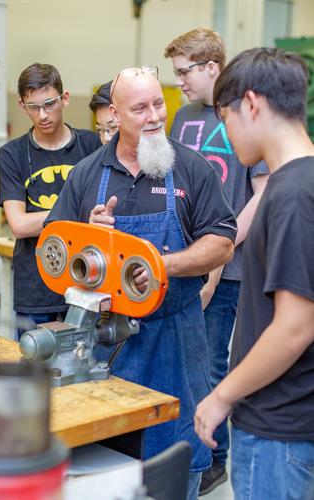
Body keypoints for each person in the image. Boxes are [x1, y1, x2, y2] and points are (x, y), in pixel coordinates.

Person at [46, 66, 237, 500]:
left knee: (174, 467)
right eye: (140, 107)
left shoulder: (192, 168)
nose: (154, 116)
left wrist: (160, 265)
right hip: (104, 348)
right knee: (105, 465)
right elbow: (55, 249)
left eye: (158, 103)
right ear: (114, 114)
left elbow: (222, 243)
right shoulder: (88, 173)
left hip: (176, 342)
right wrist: (87, 236)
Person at [195, 47, 314, 500]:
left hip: (277, 429)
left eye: (225, 120)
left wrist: (221, 395)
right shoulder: (295, 184)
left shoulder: (293, 195)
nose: (226, 136)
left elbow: (295, 326)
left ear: (251, 104)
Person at [164, 28, 269, 494]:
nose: (180, 82)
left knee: (213, 366)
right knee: (183, 364)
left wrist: (219, 249)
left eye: (185, 71)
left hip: (232, 269)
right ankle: (187, 450)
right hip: (186, 262)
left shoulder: (245, 115)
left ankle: (214, 460)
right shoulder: (182, 116)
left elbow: (261, 195)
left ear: (211, 68)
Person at [0, 63, 101, 338]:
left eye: (49, 104)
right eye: (33, 107)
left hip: (87, 282)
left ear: (64, 98)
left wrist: (42, 219)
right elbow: (18, 225)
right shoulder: (12, 154)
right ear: (22, 105)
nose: (42, 115)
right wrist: (79, 214)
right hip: (35, 287)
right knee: (35, 372)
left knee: (86, 374)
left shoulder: (92, 146)